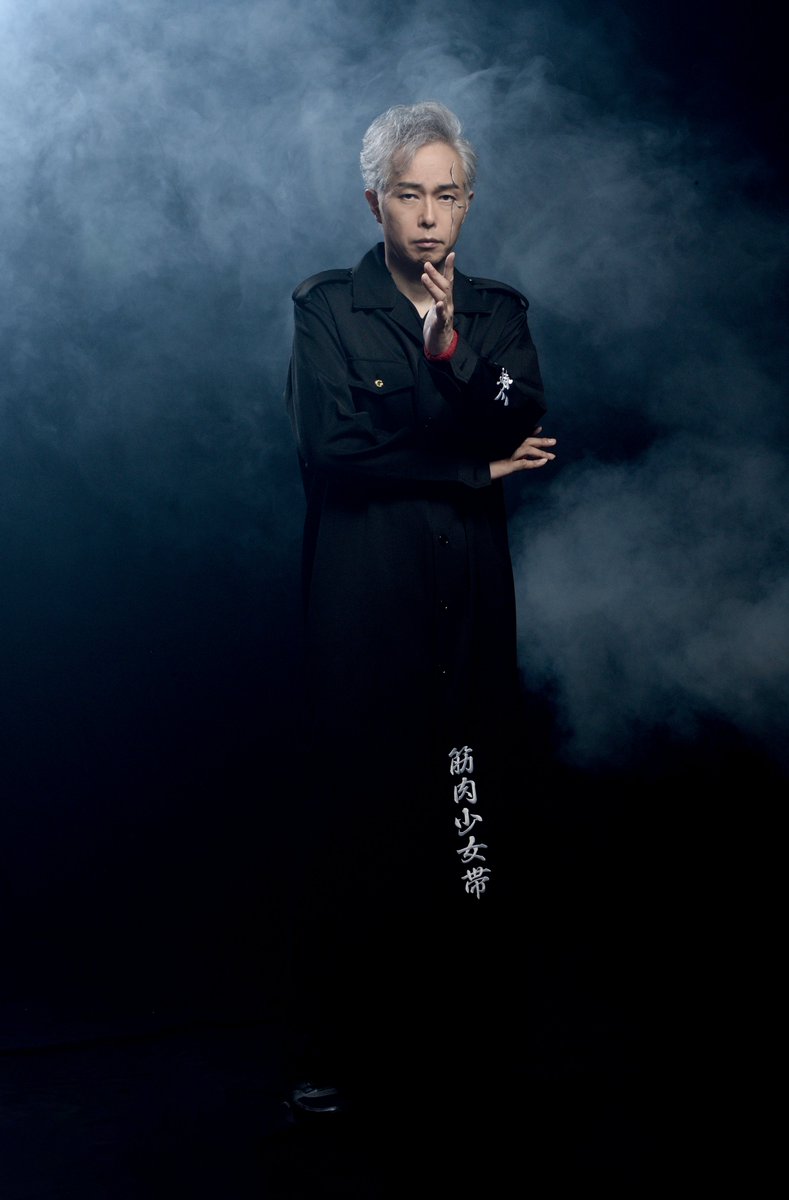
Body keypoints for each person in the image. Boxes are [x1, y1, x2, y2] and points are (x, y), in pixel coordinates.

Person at [282, 100, 556, 1132]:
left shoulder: (496, 311)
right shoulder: (327, 307)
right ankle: (331, 1055)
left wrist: (453, 358)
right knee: (357, 828)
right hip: (364, 617)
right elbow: (333, 453)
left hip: (469, 619)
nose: (429, 217)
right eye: (409, 195)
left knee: (470, 819)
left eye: (447, 196)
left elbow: (522, 410)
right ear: (376, 203)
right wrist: (470, 469)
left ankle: (469, 1044)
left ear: (467, 202)